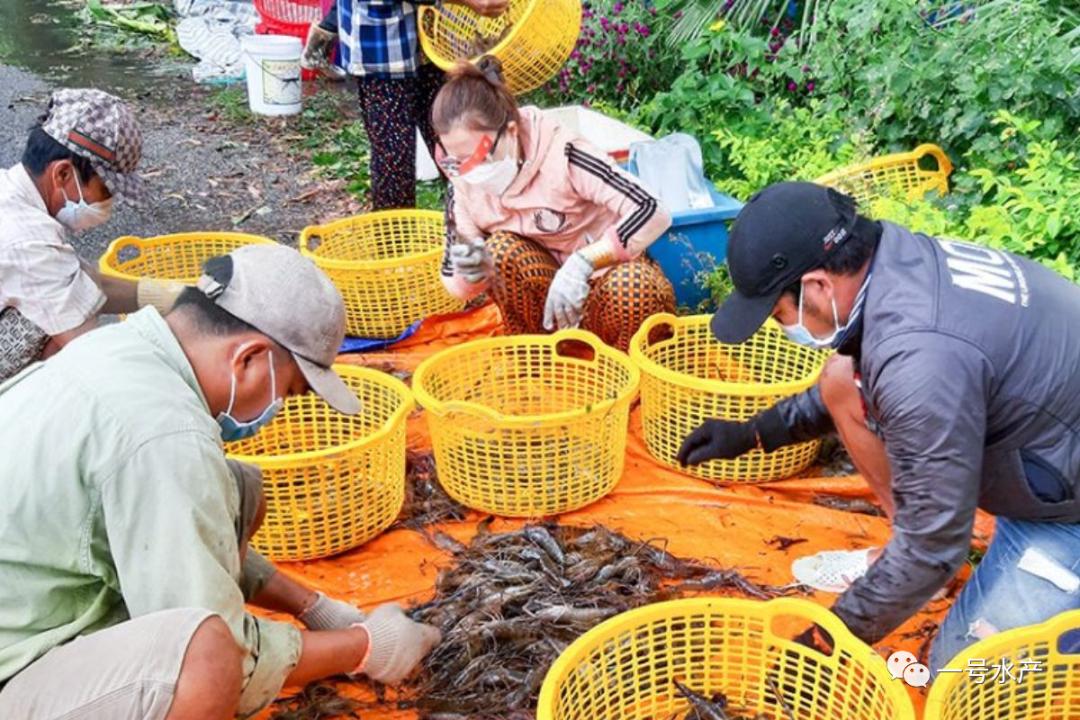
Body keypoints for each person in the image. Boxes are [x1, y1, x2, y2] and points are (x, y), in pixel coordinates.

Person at [0, 244, 440, 718]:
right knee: (205, 657)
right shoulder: (162, 433)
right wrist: (367, 647)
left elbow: (186, 538)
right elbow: (234, 654)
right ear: (249, 358)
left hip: (36, 607)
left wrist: (315, 606)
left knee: (238, 489)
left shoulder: (121, 348)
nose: (277, 412)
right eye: (288, 391)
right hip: (16, 664)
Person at [677, 181, 1080, 670]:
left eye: (778, 314)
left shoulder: (920, 356)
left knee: (963, 673)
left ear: (818, 286)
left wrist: (833, 638)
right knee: (841, 376)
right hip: (1046, 449)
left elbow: (936, 543)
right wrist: (754, 433)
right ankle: (920, 561)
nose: (780, 327)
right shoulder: (895, 261)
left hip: (1063, 513)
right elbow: (859, 386)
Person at [434, 57, 675, 351]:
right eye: (456, 161)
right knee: (499, 251)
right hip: (547, 303)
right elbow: (455, 282)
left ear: (510, 132)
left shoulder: (565, 154)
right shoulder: (463, 187)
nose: (471, 171)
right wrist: (472, 270)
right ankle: (537, 357)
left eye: (480, 157)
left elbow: (652, 210)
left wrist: (584, 262)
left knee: (633, 286)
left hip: (608, 291)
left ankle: (626, 371)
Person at [0, 88, 183, 383]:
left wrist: (179, 298)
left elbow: (81, 284)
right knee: (52, 336)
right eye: (106, 190)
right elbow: (95, 358)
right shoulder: (28, 242)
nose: (109, 202)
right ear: (62, 174)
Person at [302, 0, 508, 209]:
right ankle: (396, 237)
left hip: (433, 38)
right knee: (395, 164)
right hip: (384, 46)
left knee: (459, 142)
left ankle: (477, 223)